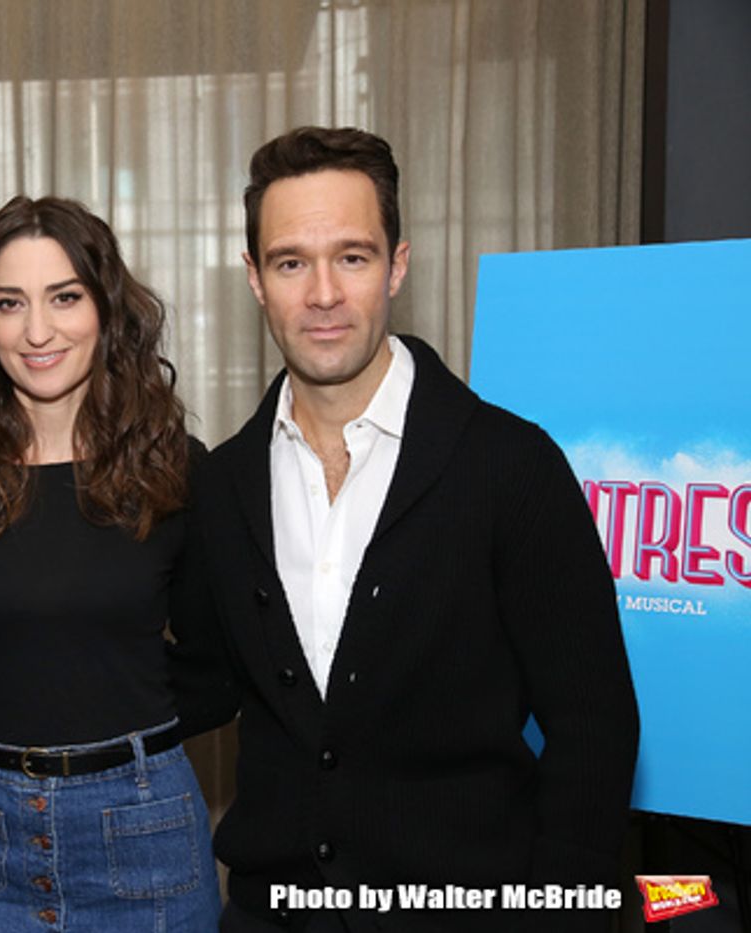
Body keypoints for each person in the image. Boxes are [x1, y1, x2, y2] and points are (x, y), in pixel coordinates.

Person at [180, 126, 640, 932]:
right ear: (255, 278)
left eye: (352, 257)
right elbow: (201, 682)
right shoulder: (222, 484)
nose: (323, 293)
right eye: (291, 263)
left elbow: (594, 726)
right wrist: (11, 719)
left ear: (397, 265)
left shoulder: (511, 466)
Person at [0, 195, 222, 932]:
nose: (37, 331)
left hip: (143, 833)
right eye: (9, 303)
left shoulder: (174, 469)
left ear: (107, 309)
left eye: (65, 297)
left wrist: (114, 736)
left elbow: (219, 671)